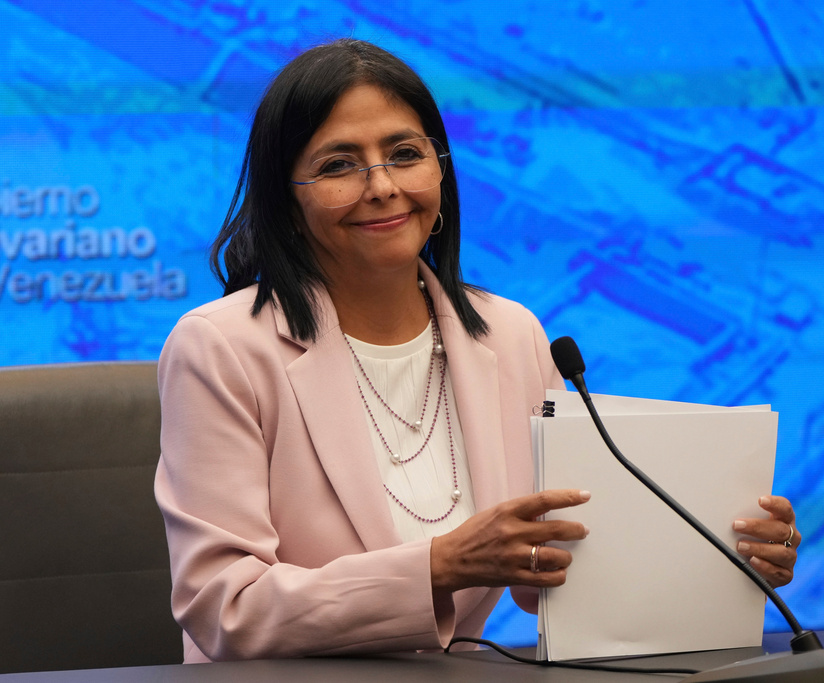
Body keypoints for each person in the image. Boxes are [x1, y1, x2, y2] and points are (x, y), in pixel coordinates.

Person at [153, 38, 801, 663]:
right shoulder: (221, 347)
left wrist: (725, 550)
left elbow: (551, 567)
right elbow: (225, 610)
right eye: (338, 164)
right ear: (287, 203)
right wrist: (437, 566)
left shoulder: (509, 332)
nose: (381, 185)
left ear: (441, 169)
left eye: (404, 153)